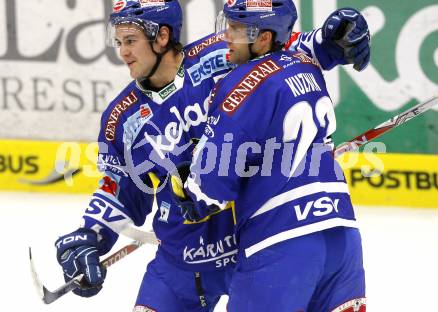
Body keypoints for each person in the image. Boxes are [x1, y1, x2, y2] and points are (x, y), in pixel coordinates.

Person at [54, 0, 370, 311]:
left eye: (131, 41)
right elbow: (119, 187)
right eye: (120, 41)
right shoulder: (121, 120)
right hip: (185, 258)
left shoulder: (225, 51)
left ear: (161, 37)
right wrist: (90, 236)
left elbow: (290, 49)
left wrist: (336, 38)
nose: (123, 52)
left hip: (253, 241)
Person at [176, 0, 366, 311]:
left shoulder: (239, 83)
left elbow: (211, 185)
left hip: (280, 242)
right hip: (342, 236)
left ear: (264, 38)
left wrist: (188, 192)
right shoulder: (307, 66)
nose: (226, 35)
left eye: (236, 29)